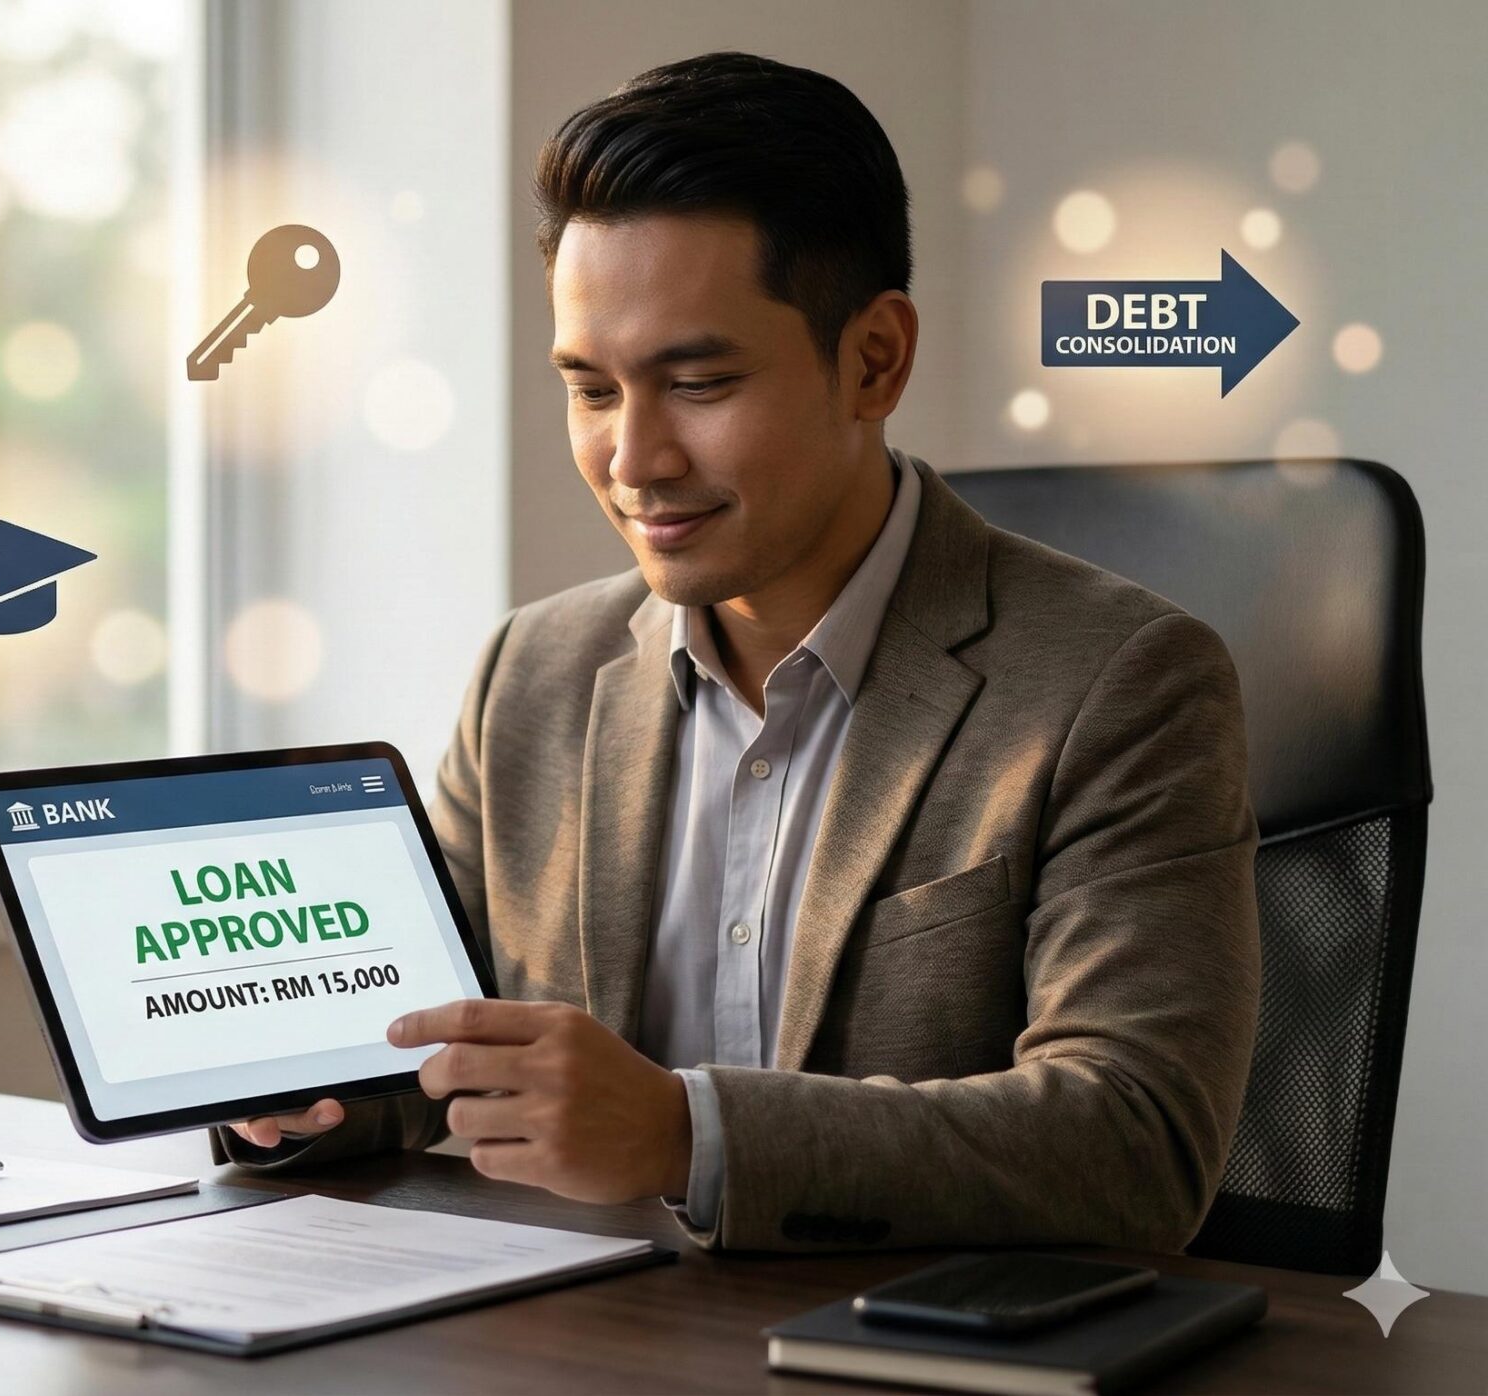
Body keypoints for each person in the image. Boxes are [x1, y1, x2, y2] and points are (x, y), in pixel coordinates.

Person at [213, 51, 1260, 1253]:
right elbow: (421, 1058)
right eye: (591, 389)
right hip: (583, 1345)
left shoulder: (1121, 682)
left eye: (697, 381)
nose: (633, 457)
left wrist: (682, 1131)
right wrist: (288, 1098)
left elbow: (1135, 1143)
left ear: (874, 360)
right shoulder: (530, 674)